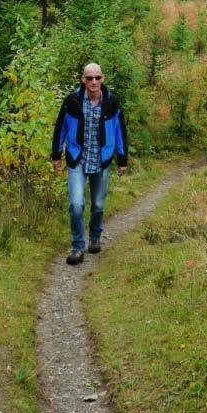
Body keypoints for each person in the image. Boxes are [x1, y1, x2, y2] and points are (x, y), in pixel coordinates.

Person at [51, 62, 128, 265]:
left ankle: (94, 237)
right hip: (77, 159)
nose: (93, 82)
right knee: (76, 205)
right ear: (82, 80)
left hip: (101, 160)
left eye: (97, 78)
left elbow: (120, 131)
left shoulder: (112, 103)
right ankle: (77, 247)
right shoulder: (71, 102)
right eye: (89, 78)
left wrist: (122, 159)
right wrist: (56, 155)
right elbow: (60, 128)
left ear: (103, 79)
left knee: (98, 205)